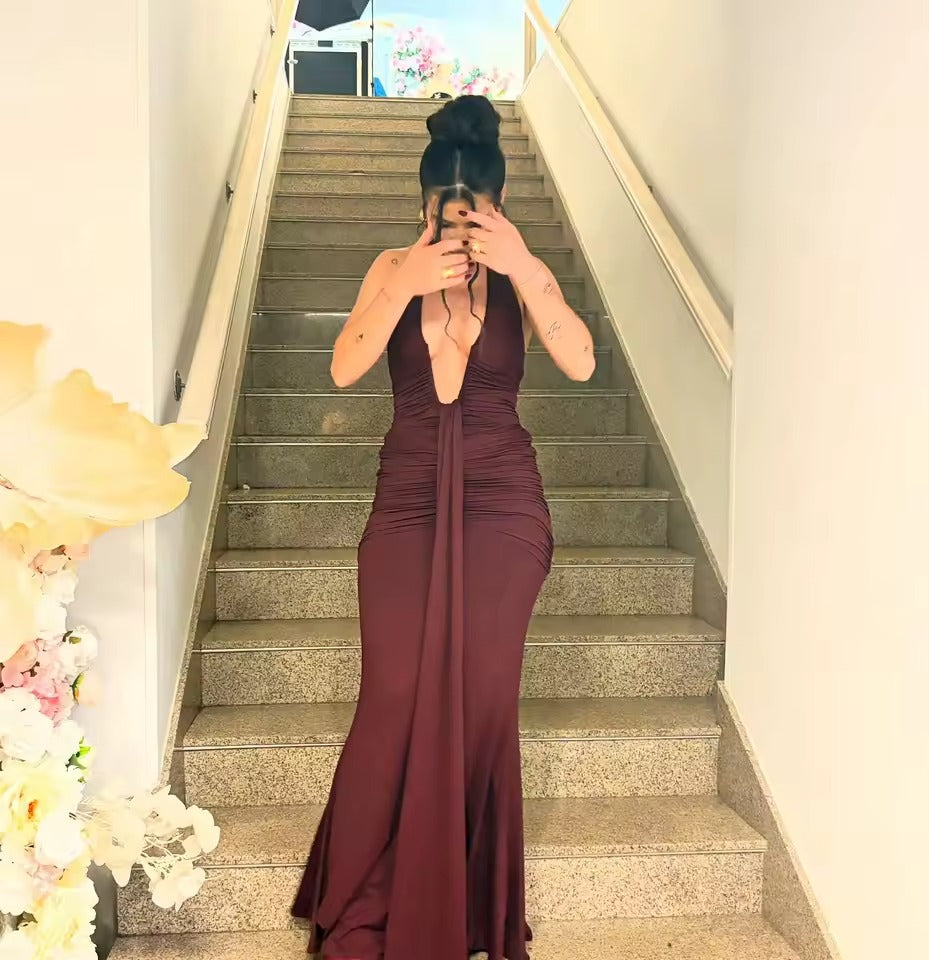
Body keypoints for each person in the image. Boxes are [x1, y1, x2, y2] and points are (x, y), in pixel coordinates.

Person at [291, 94, 596, 960]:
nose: (458, 233)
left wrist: (525, 265)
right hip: (408, 500)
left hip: (503, 502)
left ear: (499, 207)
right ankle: (368, 890)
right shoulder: (393, 265)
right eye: (442, 216)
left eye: (474, 218)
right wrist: (402, 284)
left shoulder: (520, 271)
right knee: (393, 689)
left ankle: (465, 900)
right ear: (421, 206)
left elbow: (579, 361)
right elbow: (345, 368)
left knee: (484, 694)